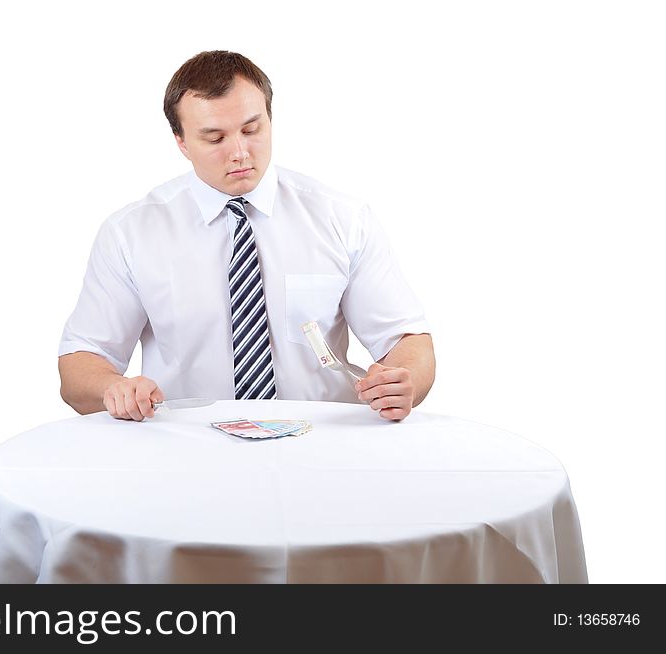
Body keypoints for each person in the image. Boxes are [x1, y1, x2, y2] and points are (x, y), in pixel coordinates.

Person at [58, 50, 435, 422]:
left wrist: (405, 381)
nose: (239, 152)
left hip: (322, 445)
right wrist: (113, 387)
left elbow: (406, 340)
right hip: (186, 450)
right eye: (214, 137)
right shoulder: (131, 234)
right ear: (181, 141)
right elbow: (80, 365)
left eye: (251, 130)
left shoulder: (343, 219)